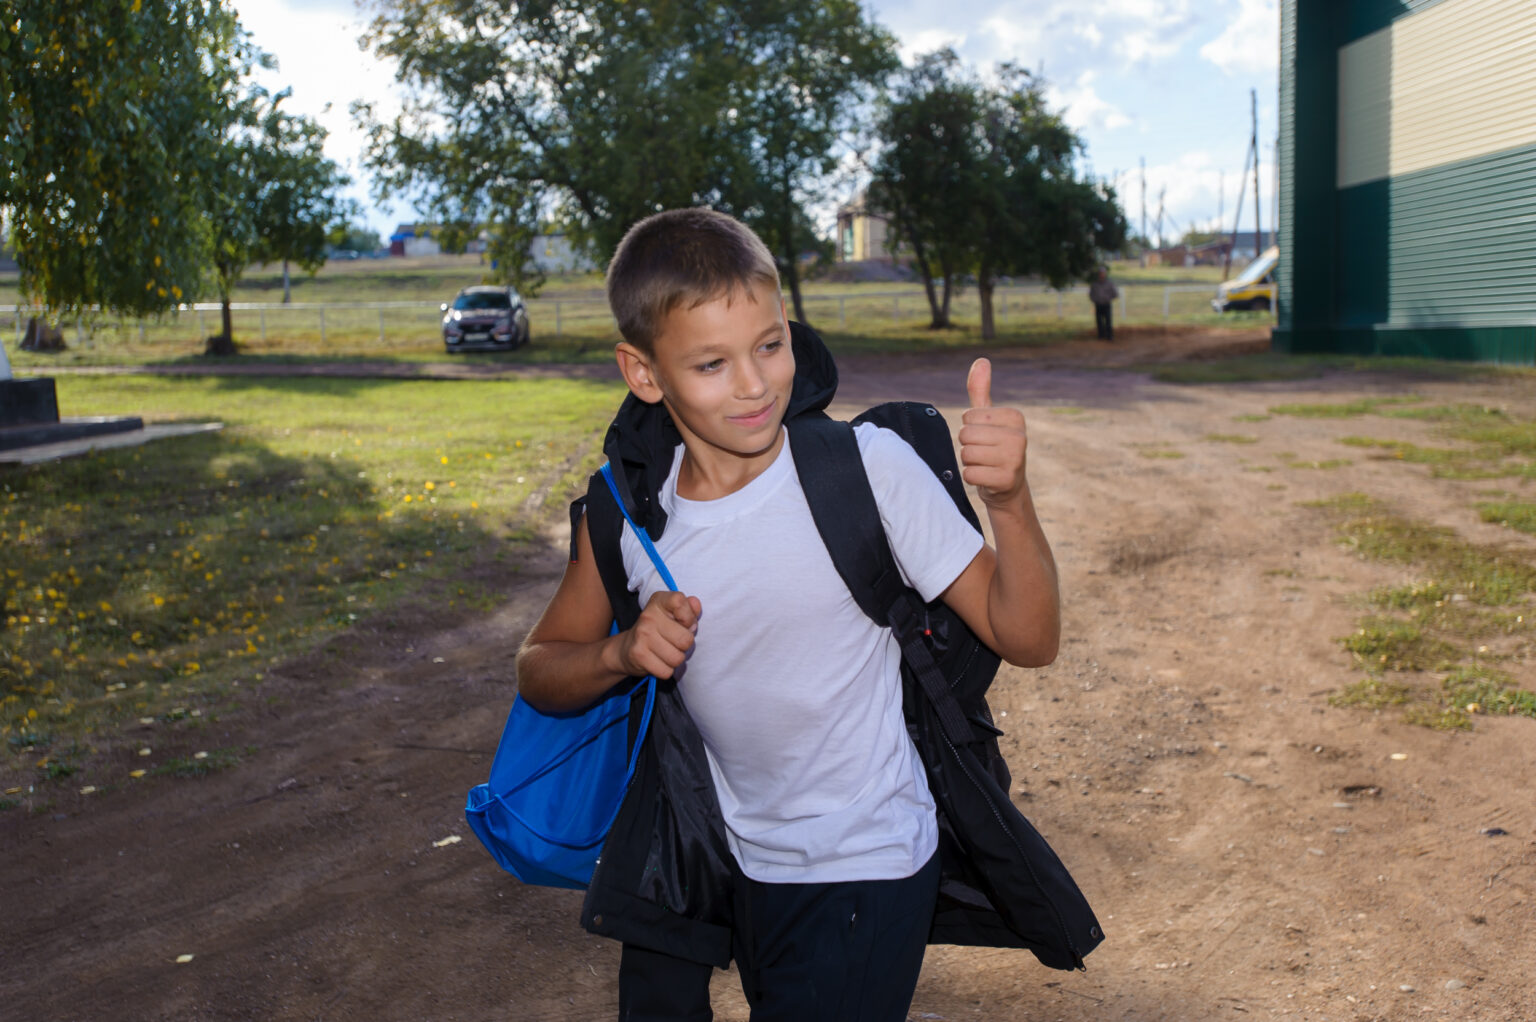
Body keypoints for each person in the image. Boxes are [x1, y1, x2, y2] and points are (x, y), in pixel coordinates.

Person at [514, 208, 1063, 1021]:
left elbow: (1030, 637)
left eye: (771, 345)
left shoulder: (865, 470)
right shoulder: (629, 512)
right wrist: (621, 652)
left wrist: (1010, 501)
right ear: (645, 374)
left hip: (868, 861)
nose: (754, 383)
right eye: (711, 363)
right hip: (738, 864)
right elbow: (540, 667)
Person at [1089, 266, 1118, 340]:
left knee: (1108, 321)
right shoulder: (1095, 284)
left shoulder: (1109, 284)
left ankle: (1109, 336)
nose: (1102, 275)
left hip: (1106, 304)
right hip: (1098, 304)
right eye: (1100, 273)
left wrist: (1108, 298)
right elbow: (1091, 294)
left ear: (1105, 274)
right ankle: (1101, 335)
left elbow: (1115, 294)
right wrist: (1095, 300)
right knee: (1099, 321)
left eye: (1103, 273)